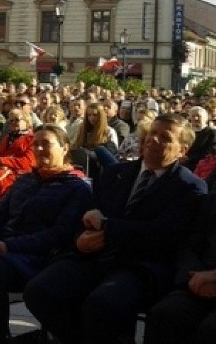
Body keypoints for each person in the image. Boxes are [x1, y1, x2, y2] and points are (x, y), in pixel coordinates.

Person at [23, 113, 208, 344]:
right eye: (152, 134)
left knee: (101, 304)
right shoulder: (115, 173)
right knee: (39, 291)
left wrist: (108, 227)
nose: (154, 141)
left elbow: (164, 234)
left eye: (165, 138)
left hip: (140, 265)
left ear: (182, 150)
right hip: (94, 257)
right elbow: (89, 216)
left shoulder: (189, 187)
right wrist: (82, 239)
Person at [0, 125, 92, 344]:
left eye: (47, 144)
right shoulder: (25, 180)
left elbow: (59, 233)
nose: (40, 149)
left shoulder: (76, 187)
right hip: (1, 243)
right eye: (36, 144)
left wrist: (9, 246)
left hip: (35, 254)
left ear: (64, 148)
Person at [144, 192, 216, 343]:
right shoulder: (210, 201)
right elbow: (189, 246)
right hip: (200, 283)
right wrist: (195, 278)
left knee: (210, 329)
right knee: (165, 314)